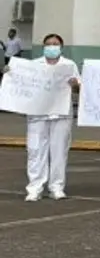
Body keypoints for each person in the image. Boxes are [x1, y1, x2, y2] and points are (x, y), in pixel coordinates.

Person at [3, 33, 79, 201]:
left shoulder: (69, 65)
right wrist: (10, 73)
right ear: (44, 47)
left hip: (61, 114)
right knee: (35, 151)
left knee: (59, 151)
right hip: (38, 114)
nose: (52, 47)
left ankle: (57, 187)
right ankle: (35, 187)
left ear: (61, 46)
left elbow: (77, 88)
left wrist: (75, 85)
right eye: (48, 44)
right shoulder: (33, 65)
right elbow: (21, 81)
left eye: (55, 44)